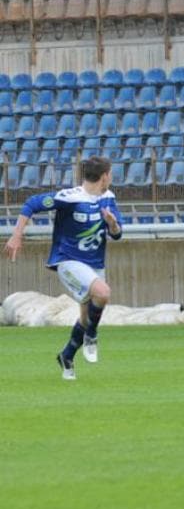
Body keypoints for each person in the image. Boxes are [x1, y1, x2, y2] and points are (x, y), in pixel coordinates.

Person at [4, 157, 123, 380]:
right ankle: (92, 336)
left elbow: (117, 234)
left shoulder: (109, 198)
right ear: (105, 175)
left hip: (95, 264)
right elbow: (31, 204)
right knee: (103, 293)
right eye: (111, 174)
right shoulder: (70, 198)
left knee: (86, 317)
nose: (111, 178)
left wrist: (112, 223)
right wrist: (16, 235)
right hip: (68, 260)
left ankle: (67, 356)